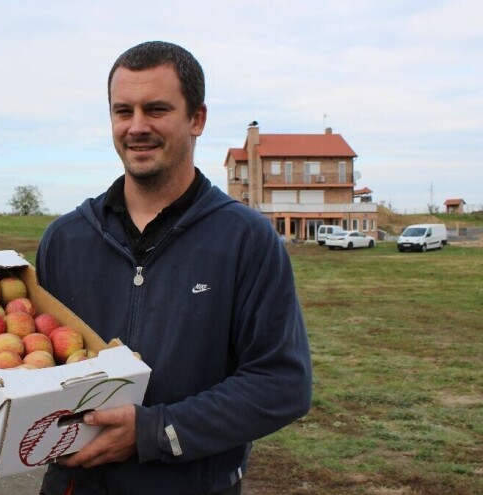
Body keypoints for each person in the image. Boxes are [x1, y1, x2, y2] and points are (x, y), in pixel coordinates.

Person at [34, 41, 312, 495]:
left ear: (196, 119)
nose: (137, 127)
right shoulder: (65, 239)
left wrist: (154, 431)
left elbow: (282, 383)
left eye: (156, 109)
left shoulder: (245, 239)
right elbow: (34, 350)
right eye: (123, 111)